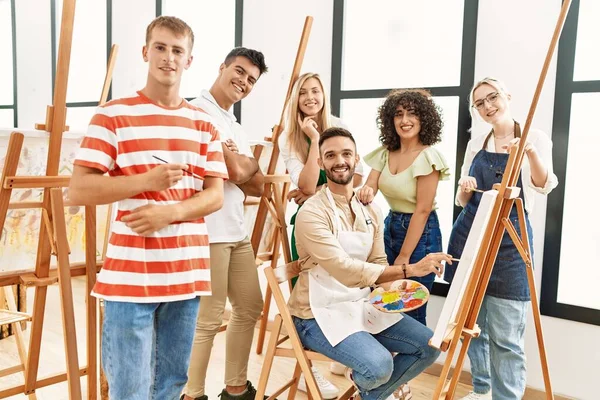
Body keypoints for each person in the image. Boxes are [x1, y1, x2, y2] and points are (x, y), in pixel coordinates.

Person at [68, 16, 228, 400]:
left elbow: (215, 195)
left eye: (177, 50)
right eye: (160, 47)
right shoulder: (112, 115)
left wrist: (168, 212)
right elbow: (79, 189)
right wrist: (146, 182)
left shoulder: (203, 124)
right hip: (129, 278)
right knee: (130, 389)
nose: (168, 58)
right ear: (145, 52)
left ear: (189, 60)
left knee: (170, 386)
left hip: (187, 274)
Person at [290, 126, 452, 400]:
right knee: (378, 366)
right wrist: (411, 268)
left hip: (360, 304)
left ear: (356, 160)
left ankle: (368, 395)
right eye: (330, 155)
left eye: (346, 154)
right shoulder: (312, 212)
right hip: (315, 314)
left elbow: (377, 262)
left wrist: (399, 292)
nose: (339, 161)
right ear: (321, 163)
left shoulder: (371, 210)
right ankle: (373, 389)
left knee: (430, 346)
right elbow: (344, 269)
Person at [445, 77, 558, 400]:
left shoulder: (534, 137)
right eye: (479, 103)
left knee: (507, 336)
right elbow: (464, 202)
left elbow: (543, 183)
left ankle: (506, 397)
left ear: (507, 95)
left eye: (492, 98)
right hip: (471, 238)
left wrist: (530, 153)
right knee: (472, 328)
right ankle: (482, 390)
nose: (487, 106)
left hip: (512, 242)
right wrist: (464, 188)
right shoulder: (476, 143)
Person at [180, 47, 268, 400]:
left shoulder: (233, 124)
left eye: (251, 79)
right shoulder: (196, 111)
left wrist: (237, 160)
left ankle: (235, 388)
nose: (243, 81)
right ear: (222, 67)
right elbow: (236, 172)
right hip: (208, 230)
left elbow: (257, 184)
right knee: (210, 317)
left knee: (250, 305)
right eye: (239, 71)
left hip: (236, 230)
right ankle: (191, 393)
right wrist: (240, 163)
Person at [278, 72, 363, 397]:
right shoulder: (290, 138)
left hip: (345, 217)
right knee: (309, 298)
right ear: (296, 100)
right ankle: (309, 370)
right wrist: (315, 140)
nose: (311, 97)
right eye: (304, 93)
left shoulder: (339, 124)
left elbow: (357, 172)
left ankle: (347, 353)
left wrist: (328, 185)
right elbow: (307, 187)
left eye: (315, 91)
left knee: (348, 286)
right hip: (310, 221)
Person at [357, 89, 450, 326]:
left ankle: (413, 360)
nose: (404, 120)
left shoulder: (429, 157)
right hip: (390, 227)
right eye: (398, 114)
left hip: (422, 233)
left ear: (424, 118)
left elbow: (422, 210)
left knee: (411, 307)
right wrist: (365, 192)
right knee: (385, 300)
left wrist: (404, 256)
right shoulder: (385, 153)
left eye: (412, 114)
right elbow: (370, 187)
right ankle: (385, 360)